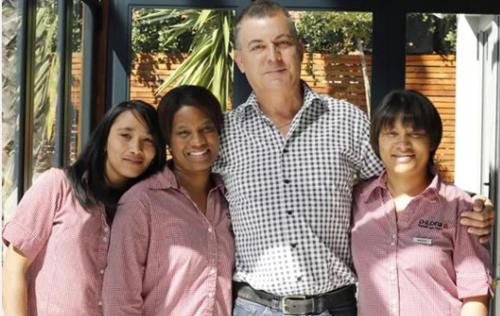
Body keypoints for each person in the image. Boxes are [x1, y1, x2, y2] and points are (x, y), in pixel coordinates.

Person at [215, 1, 494, 315]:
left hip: (335, 308)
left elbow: (402, 182)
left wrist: (469, 207)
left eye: (282, 43)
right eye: (257, 47)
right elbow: (184, 196)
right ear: (239, 60)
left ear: (301, 49)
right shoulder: (222, 135)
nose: (273, 56)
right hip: (256, 307)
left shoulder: (347, 121)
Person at [2, 100, 165, 316]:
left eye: (148, 141)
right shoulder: (57, 186)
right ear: (105, 139)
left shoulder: (144, 210)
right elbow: (14, 266)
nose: (136, 149)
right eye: (125, 136)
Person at [351, 90, 491, 315]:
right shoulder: (357, 202)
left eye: (415, 134)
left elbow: (475, 294)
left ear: (431, 141)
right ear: (377, 142)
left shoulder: (459, 207)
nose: (402, 143)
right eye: (391, 133)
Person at [102, 85, 234, 316]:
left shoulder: (229, 198)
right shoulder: (142, 203)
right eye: (184, 133)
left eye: (207, 129)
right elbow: (119, 296)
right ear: (167, 140)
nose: (198, 141)